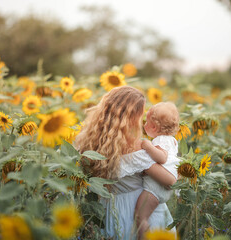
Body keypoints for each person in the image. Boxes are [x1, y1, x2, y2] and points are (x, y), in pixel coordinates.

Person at [73, 86, 176, 240]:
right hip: (136, 215)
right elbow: (171, 182)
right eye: (141, 116)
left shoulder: (88, 143)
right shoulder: (136, 149)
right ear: (131, 118)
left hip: (109, 212)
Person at [135, 102, 180, 240]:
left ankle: (143, 237)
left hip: (154, 188)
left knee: (140, 216)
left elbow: (162, 158)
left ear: (154, 127)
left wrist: (147, 146)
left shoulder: (160, 140)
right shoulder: (172, 140)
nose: (144, 125)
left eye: (146, 122)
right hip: (163, 188)